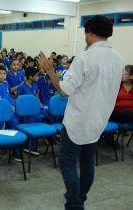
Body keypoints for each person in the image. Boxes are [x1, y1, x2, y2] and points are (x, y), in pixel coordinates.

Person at [38, 15, 124, 210]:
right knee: (87, 162)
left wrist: (50, 70)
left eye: (85, 33)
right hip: (99, 120)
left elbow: (63, 91)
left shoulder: (85, 58)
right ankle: (81, 197)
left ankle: (74, 204)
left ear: (90, 33)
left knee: (67, 162)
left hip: (78, 121)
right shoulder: (118, 59)